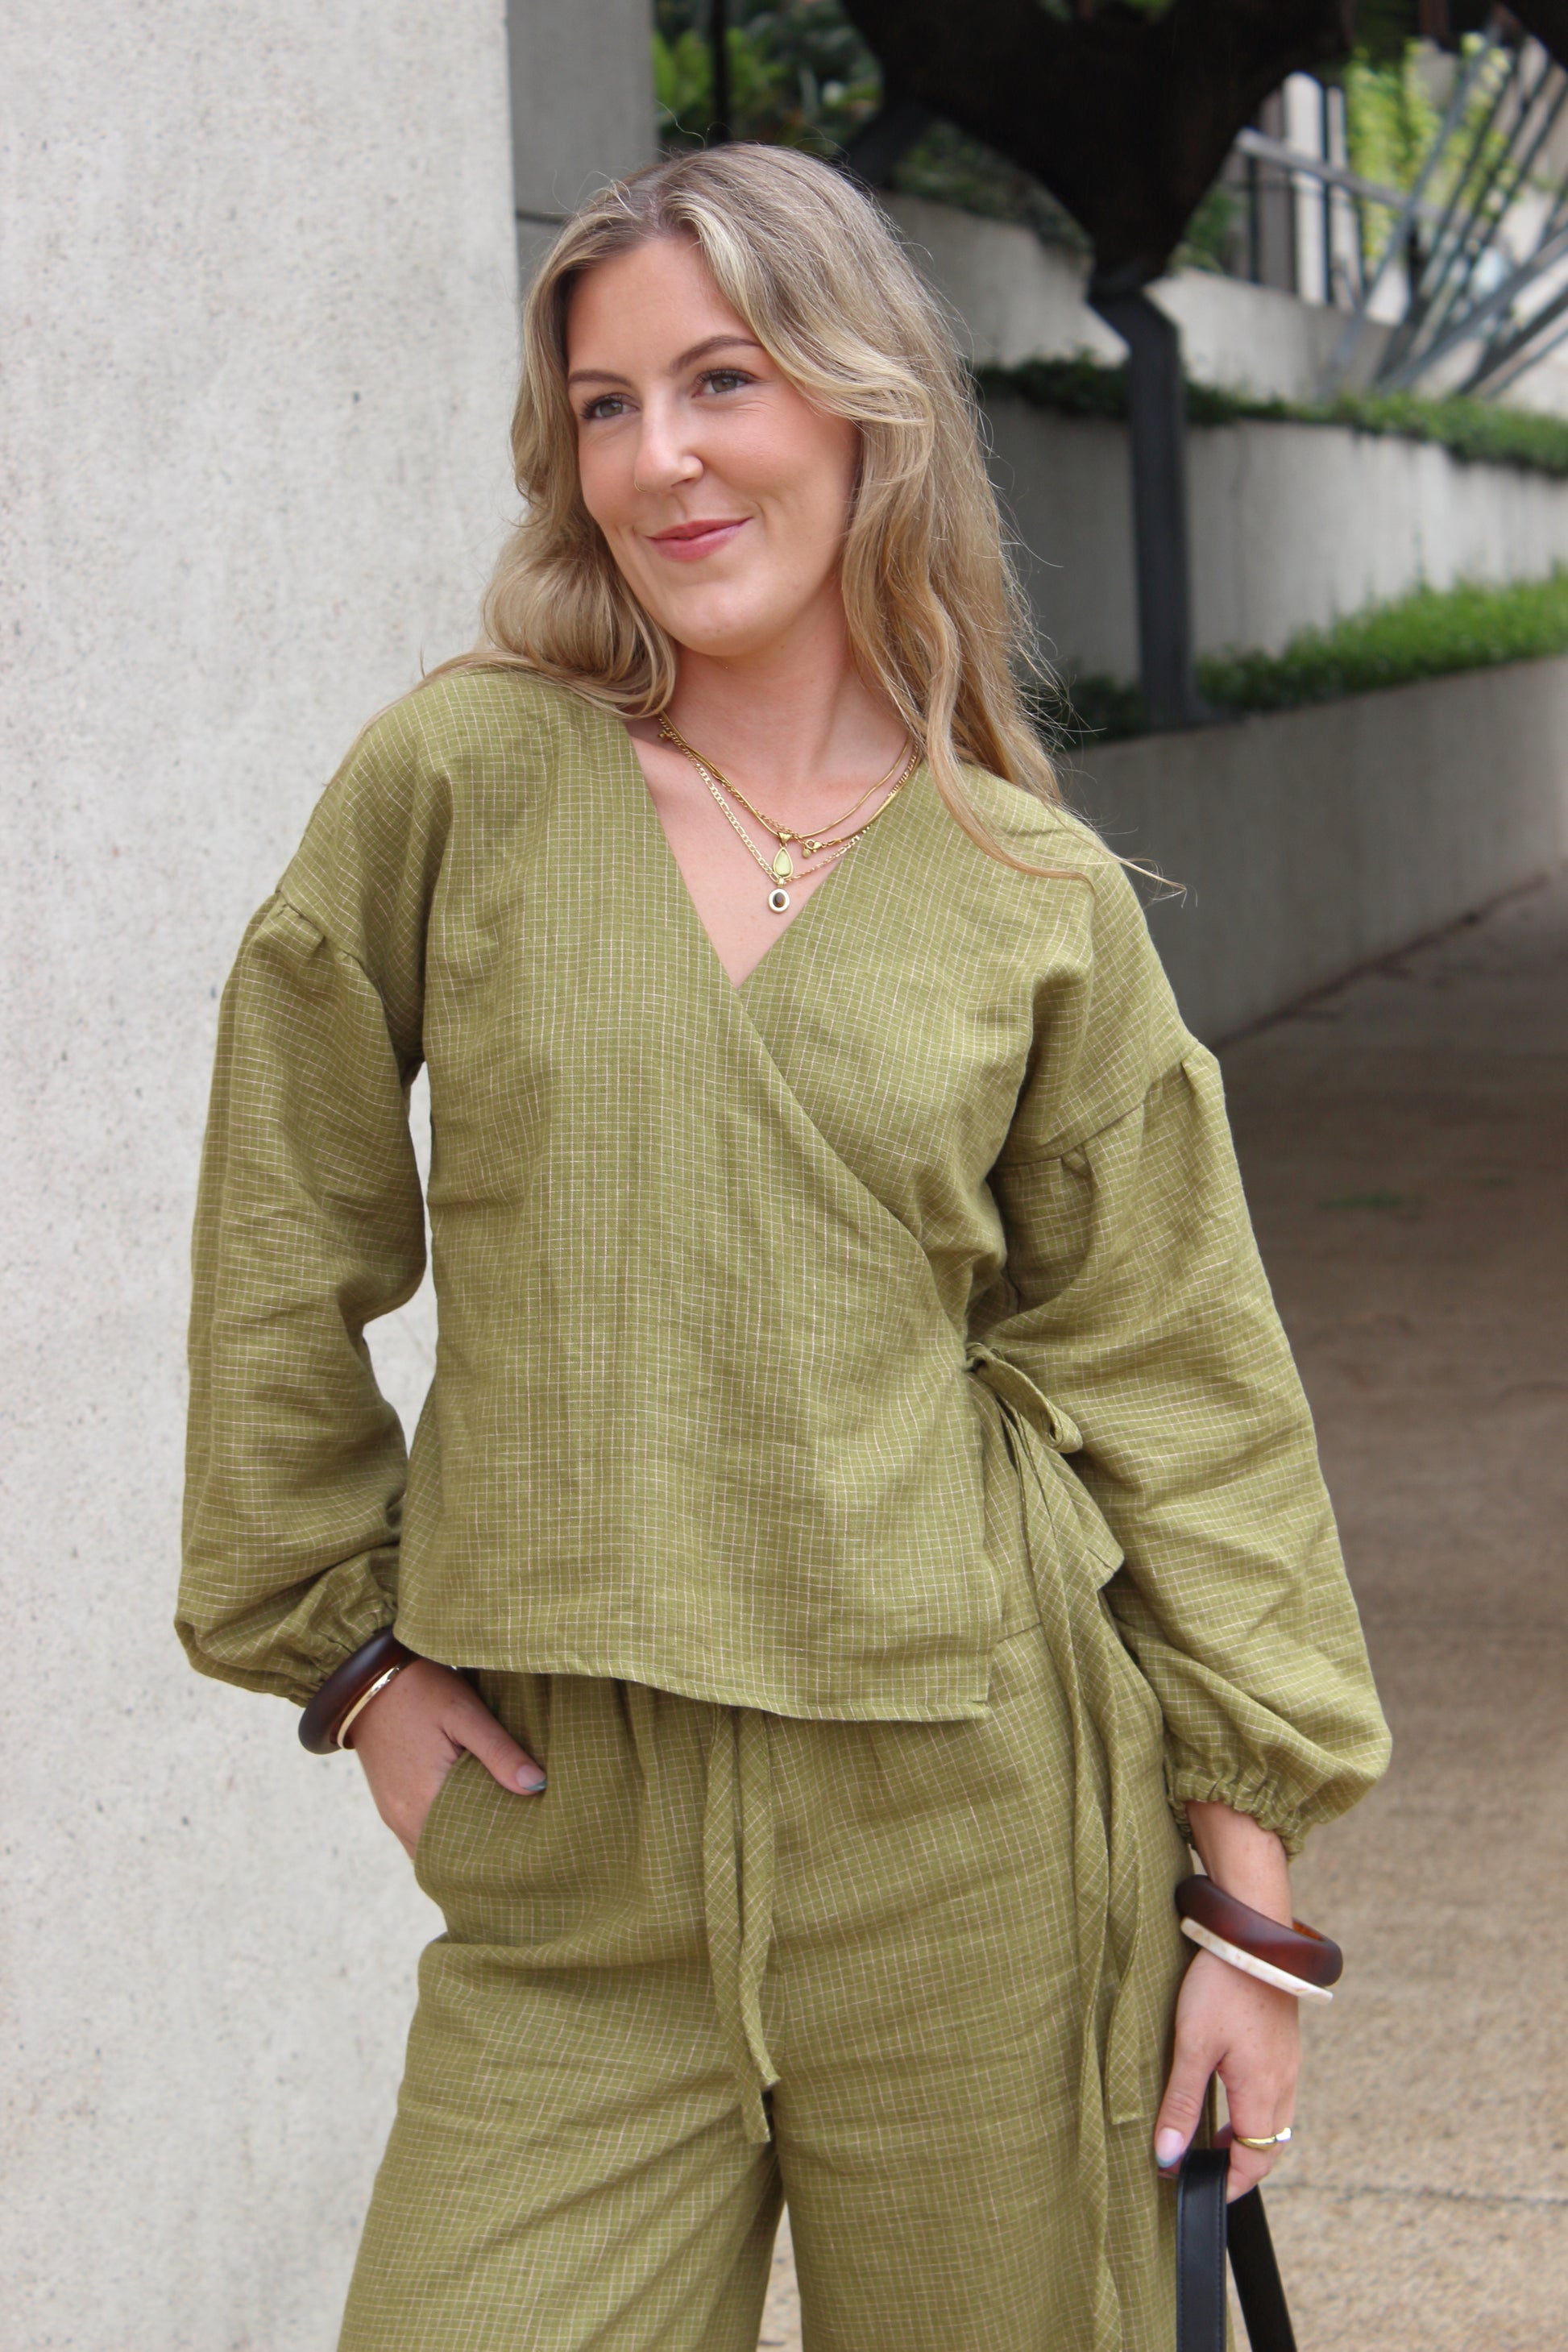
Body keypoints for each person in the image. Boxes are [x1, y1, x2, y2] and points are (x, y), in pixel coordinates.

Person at [177, 143, 1389, 2352]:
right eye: (606, 406)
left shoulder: (1029, 890)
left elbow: (1182, 1381)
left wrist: (1248, 1911)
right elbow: (286, 1211)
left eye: (719, 380)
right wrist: (343, 1655)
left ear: (859, 404)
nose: (661, 456)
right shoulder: (462, 778)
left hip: (974, 1829)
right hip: (573, 1849)